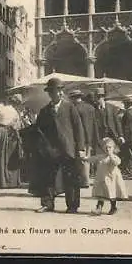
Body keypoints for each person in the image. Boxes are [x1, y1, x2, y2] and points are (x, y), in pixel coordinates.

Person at [35, 78, 85, 214]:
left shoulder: (70, 108)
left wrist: (80, 148)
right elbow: (39, 130)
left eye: (56, 91)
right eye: (50, 92)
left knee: (71, 177)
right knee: (48, 176)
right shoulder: (45, 111)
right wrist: (42, 147)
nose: (53, 94)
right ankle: (47, 204)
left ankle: (73, 205)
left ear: (61, 92)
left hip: (68, 148)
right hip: (51, 150)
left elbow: (78, 128)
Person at [82, 137, 128, 215]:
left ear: (114, 148)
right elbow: (93, 159)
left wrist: (111, 155)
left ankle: (113, 207)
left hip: (111, 180)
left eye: (110, 147)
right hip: (101, 179)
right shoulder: (101, 156)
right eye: (106, 147)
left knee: (112, 194)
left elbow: (117, 162)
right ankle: (99, 208)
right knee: (100, 194)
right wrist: (85, 158)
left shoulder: (114, 157)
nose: (107, 149)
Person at [69, 89, 99, 188]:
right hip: (89, 137)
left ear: (73, 98)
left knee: (80, 160)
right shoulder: (90, 108)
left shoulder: (74, 108)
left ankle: (84, 181)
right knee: (86, 158)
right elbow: (95, 124)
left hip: (79, 138)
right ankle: (86, 179)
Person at [0, 108, 23, 189]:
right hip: (10, 133)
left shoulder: (0, 108)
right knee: (4, 156)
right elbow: (18, 125)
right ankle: (6, 181)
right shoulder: (15, 111)